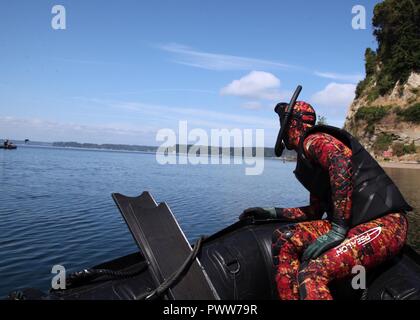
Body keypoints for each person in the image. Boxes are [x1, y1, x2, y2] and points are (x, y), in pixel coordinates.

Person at [240, 100, 412, 300]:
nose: (282, 129)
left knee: (313, 273)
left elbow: (340, 161)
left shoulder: (313, 140)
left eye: (283, 122)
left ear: (293, 124)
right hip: (353, 227)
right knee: (284, 238)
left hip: (385, 223)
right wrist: (272, 212)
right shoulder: (310, 161)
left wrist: (338, 228)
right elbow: (314, 212)